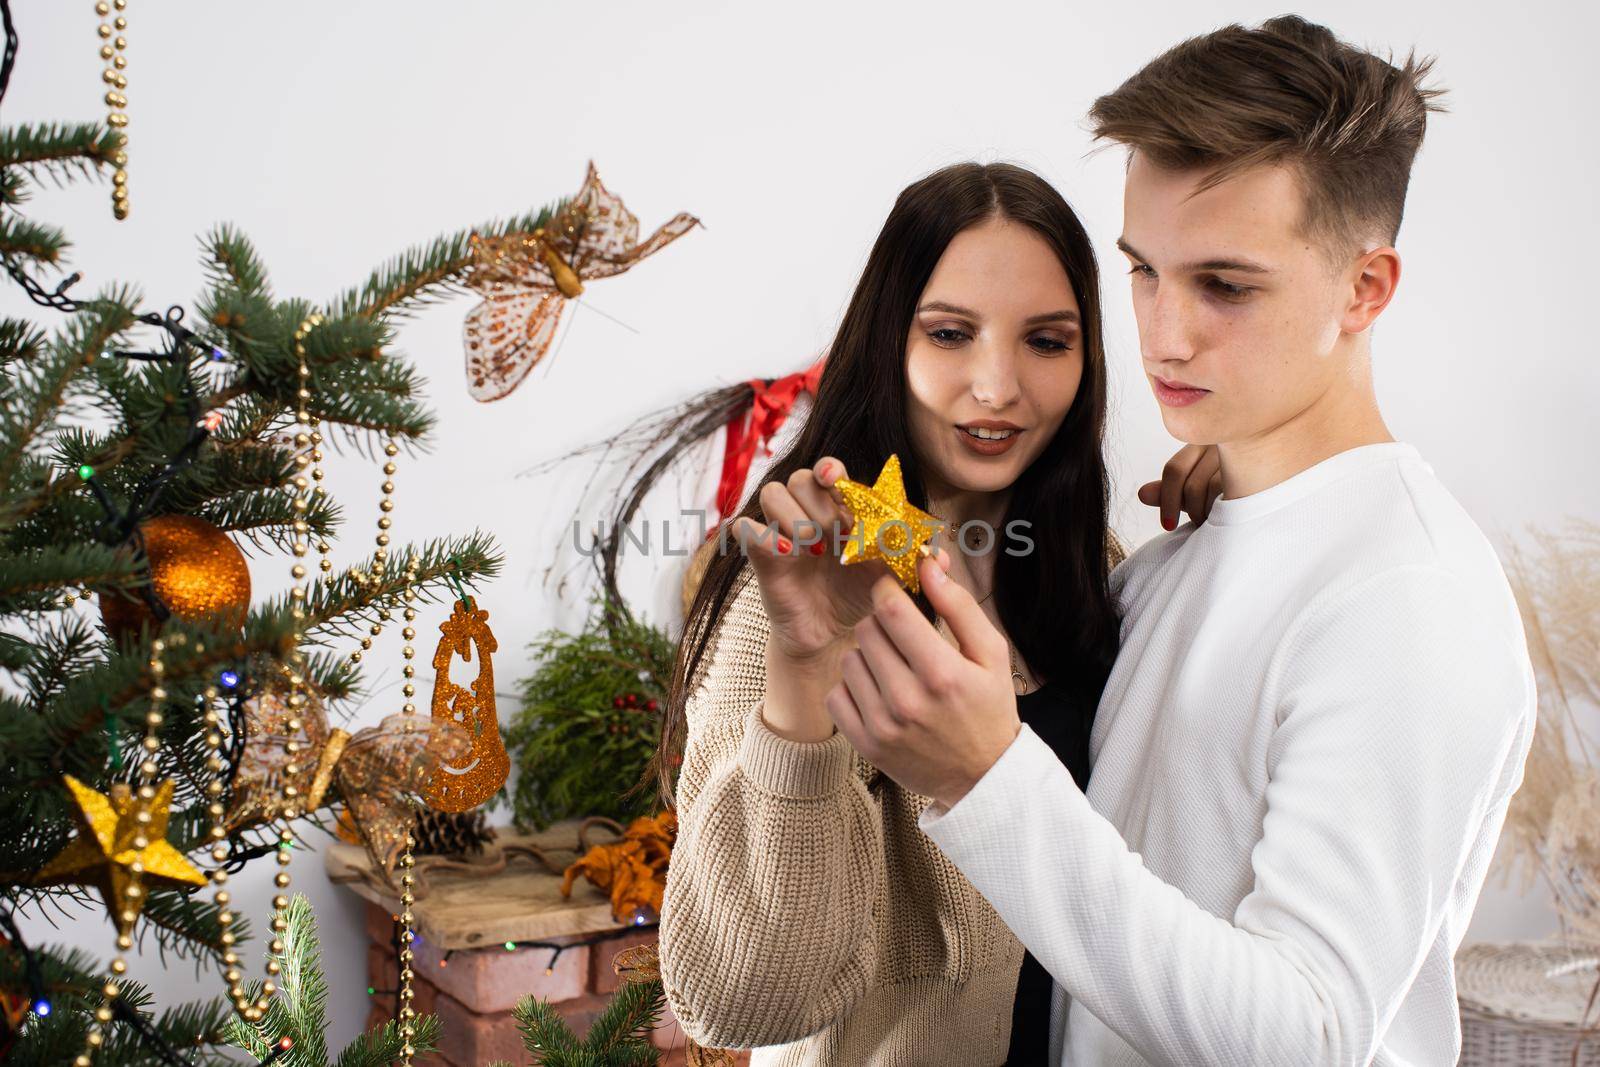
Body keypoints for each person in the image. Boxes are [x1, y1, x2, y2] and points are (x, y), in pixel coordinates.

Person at [828, 15, 1539, 1066]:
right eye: (1144, 271)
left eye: (1224, 285)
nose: (1164, 333)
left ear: (1364, 288)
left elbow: (1308, 1031)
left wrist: (987, 775)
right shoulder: (1167, 563)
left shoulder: (1408, 595)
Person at [649, 160, 1218, 1064]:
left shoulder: (1088, 566)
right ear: (888, 341)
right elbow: (736, 1003)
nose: (997, 388)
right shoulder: (796, 589)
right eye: (951, 334)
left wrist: (1246, 501)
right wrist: (806, 676)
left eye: (1046, 341)